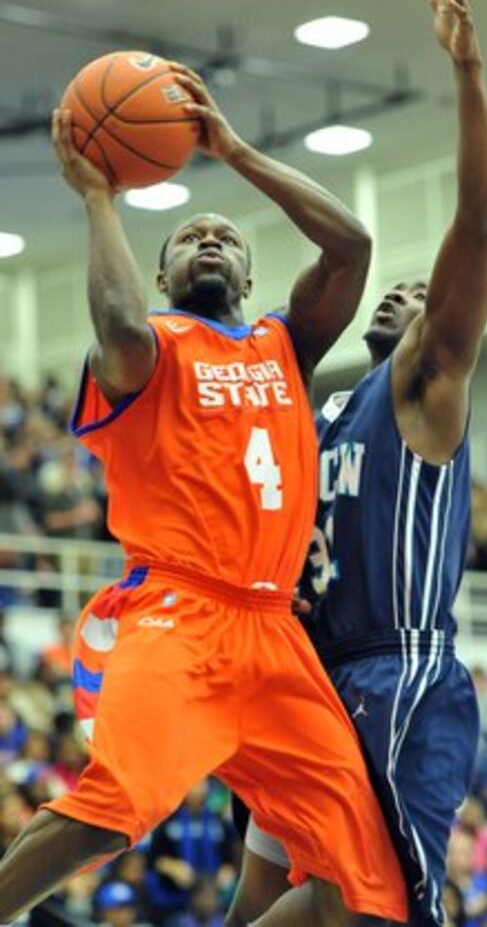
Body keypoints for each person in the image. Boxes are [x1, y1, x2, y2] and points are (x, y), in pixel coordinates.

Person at [0, 51, 408, 927]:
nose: (209, 240)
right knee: (111, 812)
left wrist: (234, 150)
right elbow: (113, 320)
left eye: (225, 236)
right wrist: (99, 198)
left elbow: (352, 246)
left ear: (252, 279)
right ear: (164, 276)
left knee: (366, 887)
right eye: (189, 238)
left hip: (274, 633)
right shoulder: (148, 352)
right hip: (178, 617)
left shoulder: (280, 346)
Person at [227, 0, 487, 927]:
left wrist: (469, 77)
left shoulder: (426, 386)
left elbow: (476, 219)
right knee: (269, 892)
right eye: (402, 287)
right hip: (308, 671)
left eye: (425, 295)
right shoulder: (325, 411)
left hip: (398, 672)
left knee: (373, 910)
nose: (406, 292)